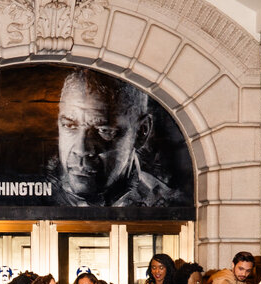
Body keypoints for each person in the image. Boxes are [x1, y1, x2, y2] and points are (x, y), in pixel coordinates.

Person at [51, 68, 184, 207]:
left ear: (141, 132)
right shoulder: (39, 199)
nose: (81, 149)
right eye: (69, 125)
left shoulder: (169, 207)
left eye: (104, 130)